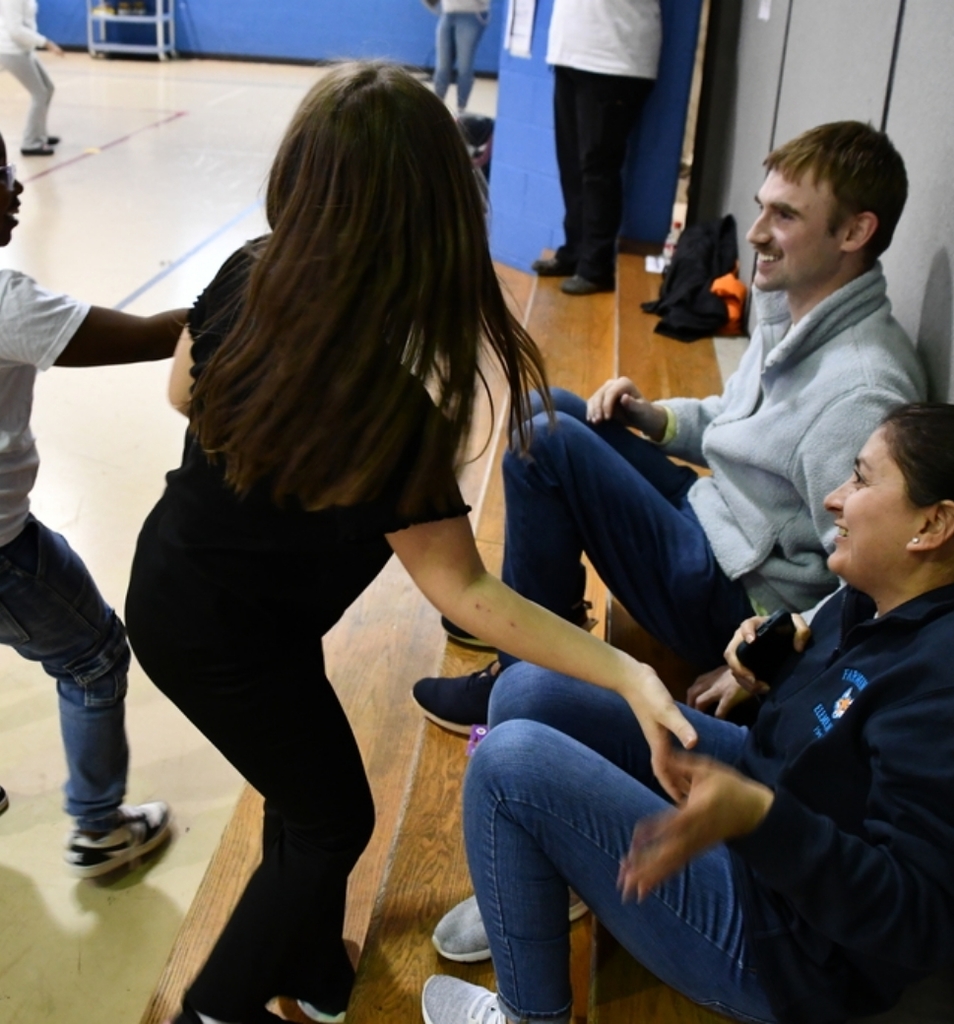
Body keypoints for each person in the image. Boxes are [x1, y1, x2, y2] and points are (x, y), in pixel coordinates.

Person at [124, 61, 692, 1024]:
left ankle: (309, 971)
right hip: (217, 630)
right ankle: (209, 1010)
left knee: (299, 792)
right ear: (435, 212)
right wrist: (632, 676)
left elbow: (181, 392)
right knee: (331, 812)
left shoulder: (250, 271)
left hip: (209, 596)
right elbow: (469, 595)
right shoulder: (383, 402)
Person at [422, 402, 954, 1024]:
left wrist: (759, 820)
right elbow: (843, 725)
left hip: (788, 949)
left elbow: (924, 921)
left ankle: (528, 1016)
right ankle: (548, 874)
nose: (835, 499)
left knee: (505, 765)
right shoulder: (892, 597)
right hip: (766, 800)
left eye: (863, 480)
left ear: (934, 524)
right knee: (528, 691)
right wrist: (773, 666)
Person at [414, 120, 928, 731]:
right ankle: (543, 620)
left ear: (854, 231)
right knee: (551, 406)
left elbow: (871, 583)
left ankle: (524, 674)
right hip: (712, 519)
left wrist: (758, 664)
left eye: (784, 216)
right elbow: (737, 419)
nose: (758, 233)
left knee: (545, 443)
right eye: (762, 208)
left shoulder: (861, 393)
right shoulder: (803, 307)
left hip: (736, 601)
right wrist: (654, 419)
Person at [0, 128, 181, 873]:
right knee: (94, 656)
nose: (16, 187)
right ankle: (100, 828)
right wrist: (252, 301)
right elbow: (150, 336)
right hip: (5, 549)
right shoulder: (8, 303)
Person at [531, 0, 662, 295]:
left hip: (614, 58)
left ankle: (596, 267)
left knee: (597, 167)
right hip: (570, 50)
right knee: (572, 165)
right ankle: (574, 252)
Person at [0, 0, 63, 156]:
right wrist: (46, 43)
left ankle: (40, 135)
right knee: (39, 93)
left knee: (48, 88)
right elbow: (15, 30)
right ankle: (30, 142)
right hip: (10, 50)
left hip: (24, 48)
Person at [432, 0, 490, 115]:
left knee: (464, 66)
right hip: (447, 13)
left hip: (472, 14)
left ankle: (461, 110)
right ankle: (435, 108)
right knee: (442, 66)